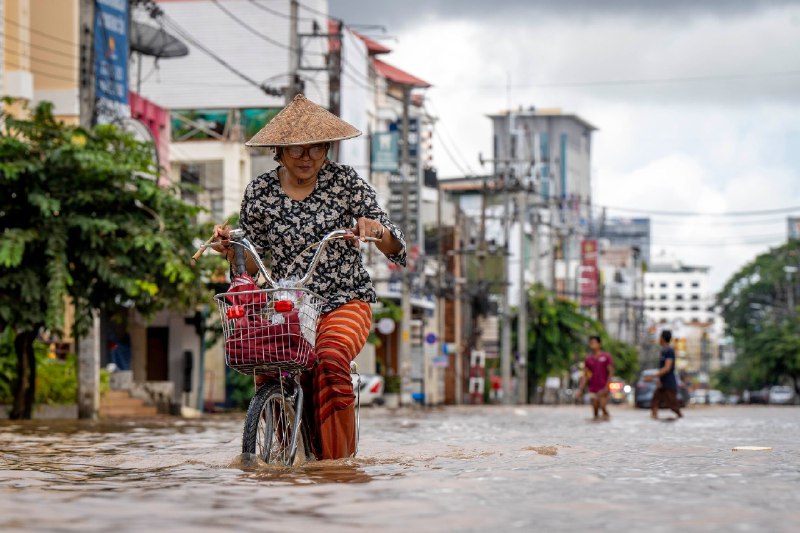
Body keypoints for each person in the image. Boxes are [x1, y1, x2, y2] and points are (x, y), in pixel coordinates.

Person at [213, 95, 406, 460]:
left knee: (330, 360)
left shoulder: (346, 182)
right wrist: (232, 248)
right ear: (278, 151)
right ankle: (281, 454)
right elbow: (252, 263)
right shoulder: (259, 193)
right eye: (296, 150)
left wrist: (375, 229)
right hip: (289, 304)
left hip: (344, 299)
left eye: (316, 149)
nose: (306, 158)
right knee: (271, 369)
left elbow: (394, 244)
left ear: (327, 148)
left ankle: (336, 466)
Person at [644, 329, 683, 419]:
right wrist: (658, 379)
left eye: (660, 337)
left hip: (669, 383)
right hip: (662, 382)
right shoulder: (663, 351)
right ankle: (654, 417)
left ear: (662, 338)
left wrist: (653, 376)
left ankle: (679, 416)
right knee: (655, 400)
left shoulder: (669, 351)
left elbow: (667, 368)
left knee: (672, 404)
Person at [576, 336, 614, 420]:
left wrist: (607, 386)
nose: (592, 345)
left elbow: (610, 372)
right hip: (593, 387)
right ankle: (597, 422)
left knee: (603, 406)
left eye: (594, 342)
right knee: (595, 408)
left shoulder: (606, 357)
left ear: (599, 344)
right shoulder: (588, 359)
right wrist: (580, 389)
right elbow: (586, 375)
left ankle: (606, 418)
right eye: (591, 343)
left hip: (604, 386)